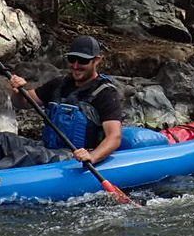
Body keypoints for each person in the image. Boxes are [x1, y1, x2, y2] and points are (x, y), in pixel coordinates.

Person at [8, 35, 124, 166]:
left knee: (24, 155)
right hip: (47, 149)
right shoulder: (59, 84)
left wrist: (92, 156)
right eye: (72, 59)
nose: (75, 65)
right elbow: (21, 103)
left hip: (73, 156)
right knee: (3, 140)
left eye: (82, 61)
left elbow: (114, 137)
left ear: (96, 61)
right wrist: (18, 90)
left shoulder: (106, 93)